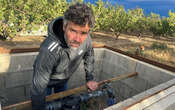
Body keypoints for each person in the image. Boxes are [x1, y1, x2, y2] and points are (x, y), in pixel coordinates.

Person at [30, 3, 98, 110]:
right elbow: (38, 88)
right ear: (64, 26)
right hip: (46, 83)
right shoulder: (49, 49)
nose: (78, 39)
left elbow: (89, 55)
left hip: (64, 80)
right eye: (73, 30)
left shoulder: (87, 40)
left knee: (62, 104)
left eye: (83, 33)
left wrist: (90, 78)